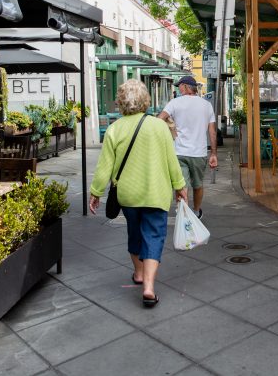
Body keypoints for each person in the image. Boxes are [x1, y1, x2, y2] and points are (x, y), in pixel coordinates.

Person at [89, 80, 186, 308]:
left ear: (121, 102)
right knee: (154, 235)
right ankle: (149, 287)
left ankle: (138, 272)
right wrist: (180, 186)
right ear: (145, 100)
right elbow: (172, 161)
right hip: (156, 192)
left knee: (134, 232)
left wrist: (95, 192)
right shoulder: (159, 127)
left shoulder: (114, 129)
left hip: (128, 195)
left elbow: (104, 167)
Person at [158, 75, 217, 219]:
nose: (179, 89)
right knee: (198, 185)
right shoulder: (206, 105)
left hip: (179, 152)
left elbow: (159, 120)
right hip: (199, 153)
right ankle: (196, 212)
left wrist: (169, 128)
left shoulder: (174, 103)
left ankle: (181, 213)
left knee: (180, 185)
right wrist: (213, 153)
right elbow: (212, 132)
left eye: (180, 86)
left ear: (185, 86)